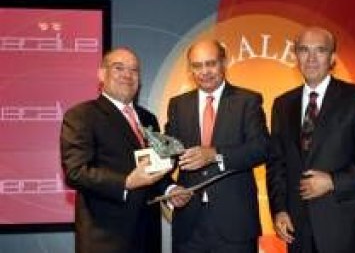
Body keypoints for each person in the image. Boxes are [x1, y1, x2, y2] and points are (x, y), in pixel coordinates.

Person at [266, 27, 355, 253]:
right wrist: (280, 209)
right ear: (296, 56)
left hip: (345, 230)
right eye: (304, 50)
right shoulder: (282, 104)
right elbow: (277, 163)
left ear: (332, 57)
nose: (312, 58)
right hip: (298, 231)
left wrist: (333, 181)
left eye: (320, 50)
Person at [165, 39, 269, 253]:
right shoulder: (178, 105)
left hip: (235, 224)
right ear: (190, 69)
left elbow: (261, 148)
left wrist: (215, 155)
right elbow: (168, 156)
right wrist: (170, 188)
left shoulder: (247, 100)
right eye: (197, 65)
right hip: (189, 224)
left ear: (224, 62)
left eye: (210, 63)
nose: (204, 71)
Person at [60, 47, 168, 253]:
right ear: (102, 74)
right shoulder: (82, 115)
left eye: (134, 70)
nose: (128, 75)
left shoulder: (148, 119)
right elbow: (76, 172)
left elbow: (153, 170)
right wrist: (126, 182)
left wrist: (171, 190)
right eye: (119, 68)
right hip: (106, 240)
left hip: (148, 237)